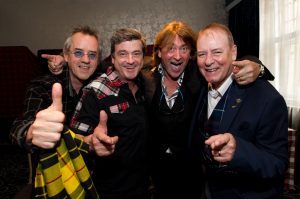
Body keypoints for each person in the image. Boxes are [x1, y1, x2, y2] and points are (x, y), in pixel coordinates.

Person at [143, 21, 274, 199]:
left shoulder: (199, 77)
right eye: (170, 48)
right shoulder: (145, 79)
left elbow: (226, 63)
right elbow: (118, 68)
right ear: (159, 51)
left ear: (191, 54)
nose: (177, 56)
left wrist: (257, 66)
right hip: (158, 173)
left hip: (192, 174)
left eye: (184, 49)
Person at [189, 22, 288, 198]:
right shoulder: (201, 87)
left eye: (217, 52)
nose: (208, 61)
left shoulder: (267, 99)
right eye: (202, 54)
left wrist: (239, 152)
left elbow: (277, 164)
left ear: (233, 52)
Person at [69, 28, 149, 199]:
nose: (130, 60)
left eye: (136, 54)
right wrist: (90, 143)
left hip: (143, 186)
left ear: (143, 58)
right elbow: (73, 143)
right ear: (112, 58)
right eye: (122, 54)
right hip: (109, 191)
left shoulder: (145, 85)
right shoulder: (95, 92)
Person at [10, 25, 101, 150]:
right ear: (66, 56)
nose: (86, 59)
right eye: (78, 53)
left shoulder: (102, 83)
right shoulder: (44, 86)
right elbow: (18, 128)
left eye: (92, 55)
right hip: (56, 163)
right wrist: (31, 132)